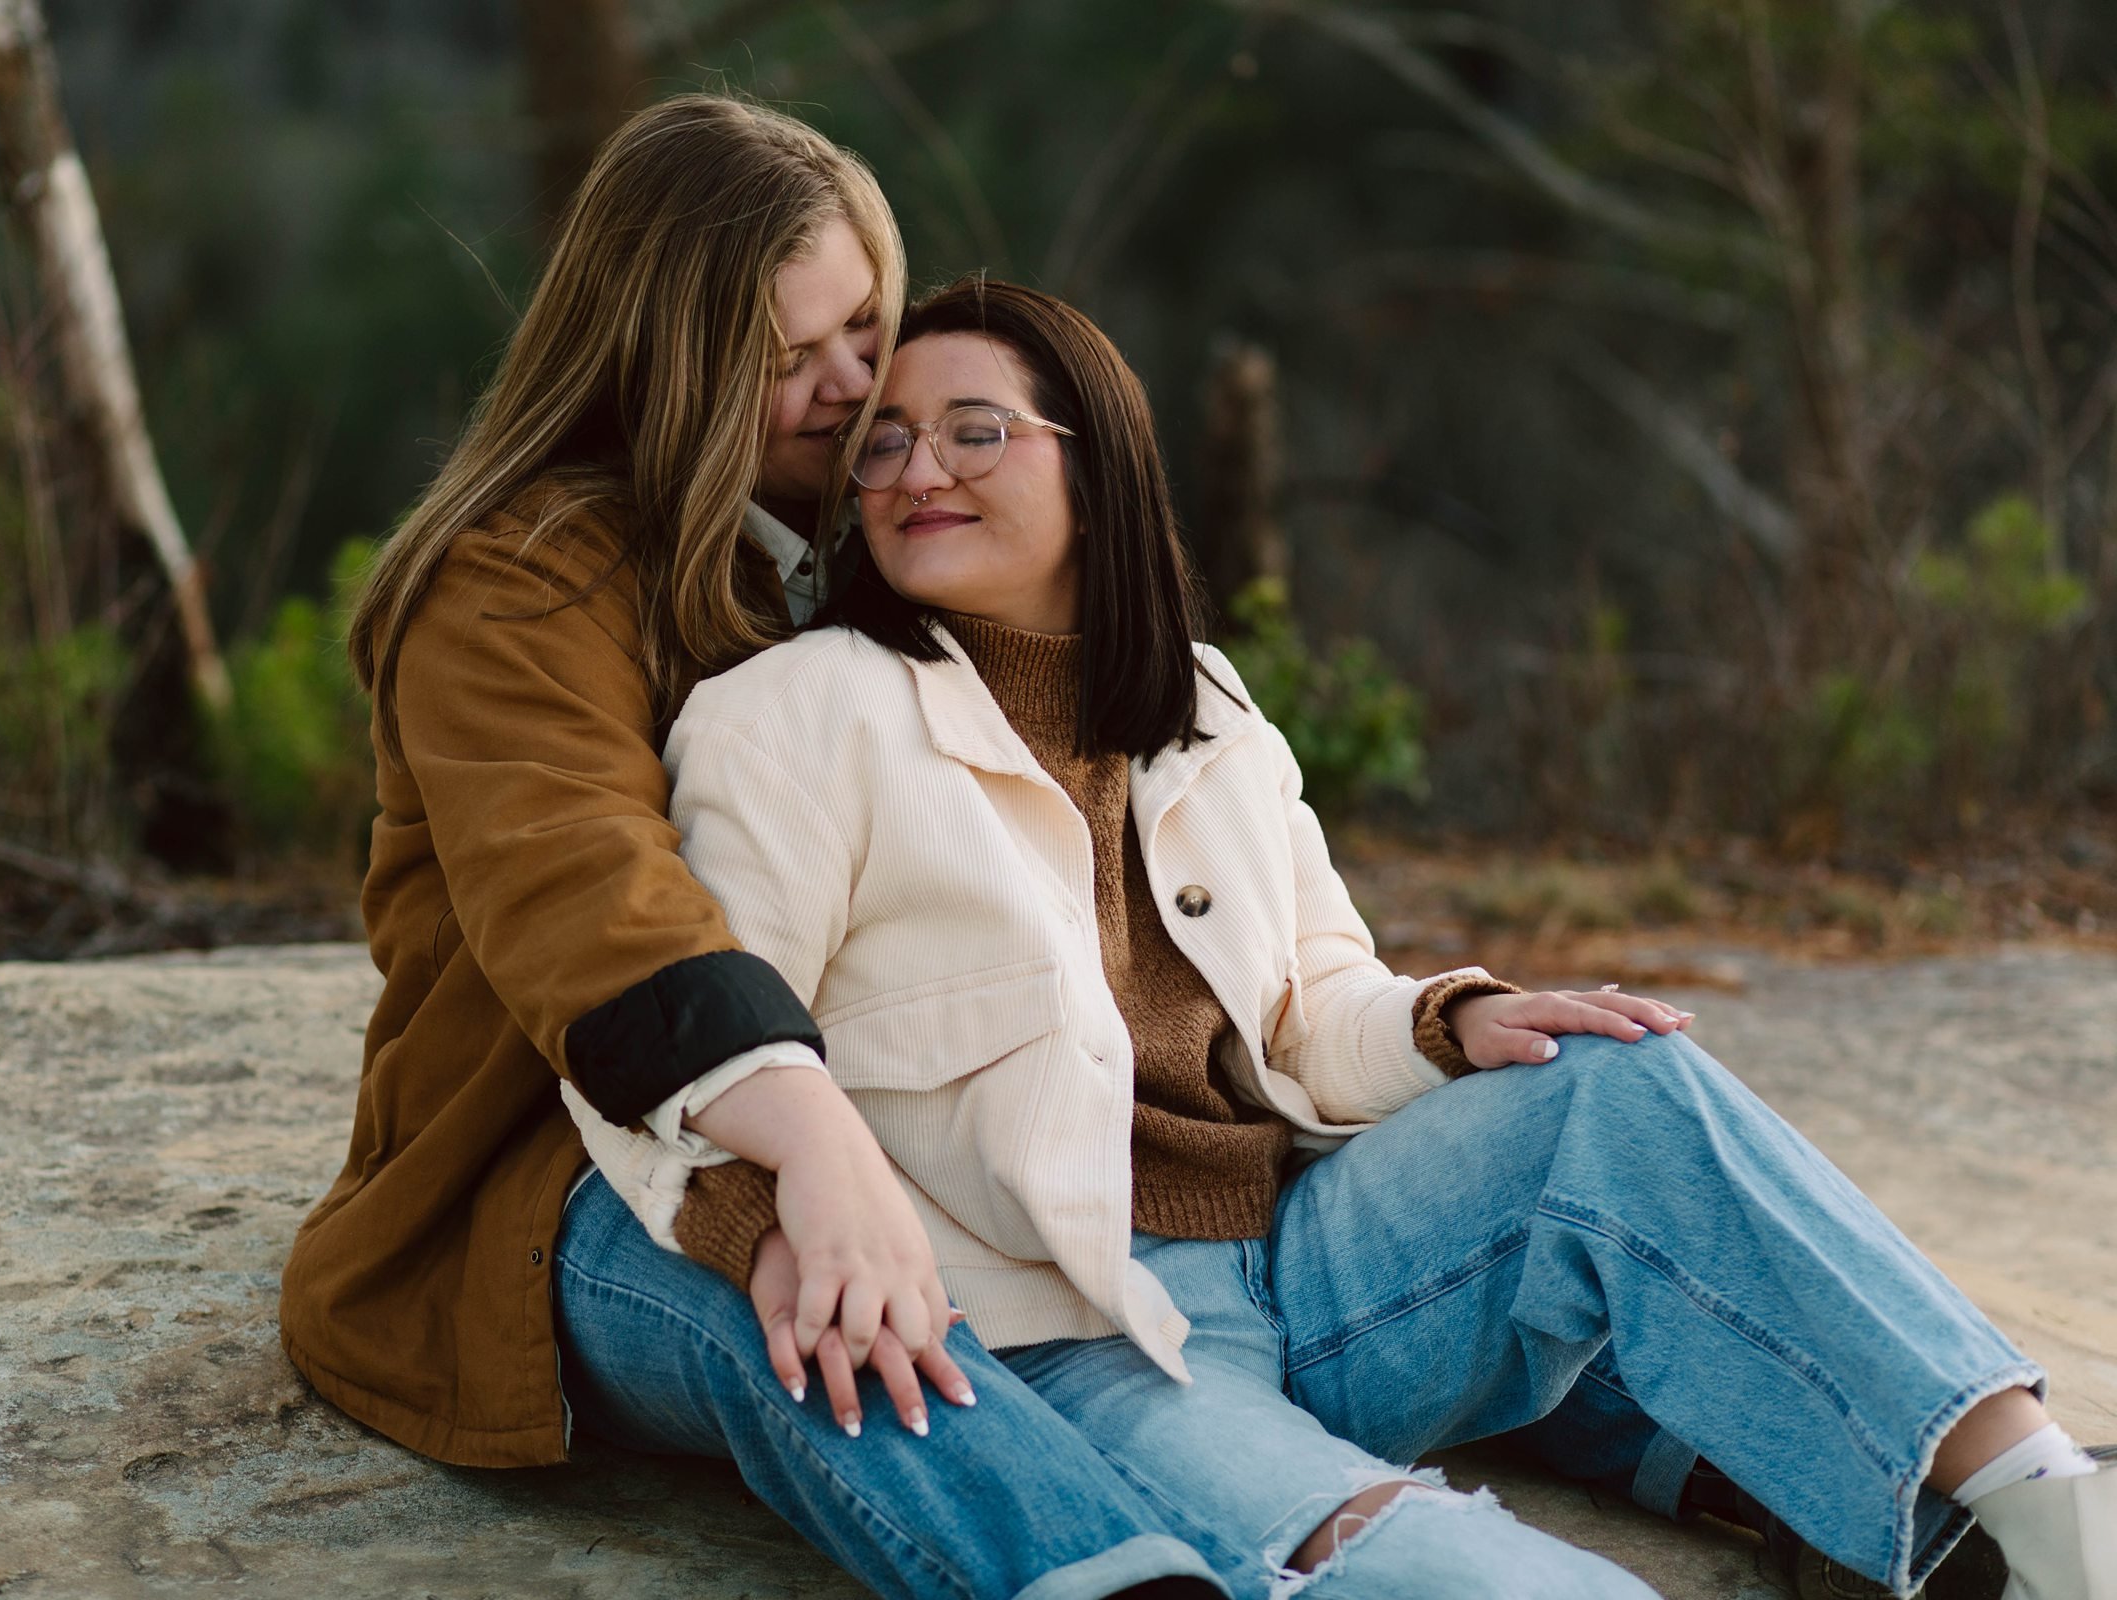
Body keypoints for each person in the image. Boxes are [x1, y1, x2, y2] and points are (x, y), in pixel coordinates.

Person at [569, 275, 2117, 1599]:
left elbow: (1313, 1002)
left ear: (1095, 462)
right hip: (1070, 1335)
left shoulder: (1205, 701)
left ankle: (2049, 1509)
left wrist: (1452, 1024)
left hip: (1306, 1268)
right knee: (1421, 1562)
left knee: (1623, 1086)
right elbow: (700, 1047)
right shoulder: (792, 715)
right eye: (886, 444)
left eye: (975, 429)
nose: (916, 470)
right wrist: (756, 1242)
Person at [283, 93, 1268, 1598]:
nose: (854, 386)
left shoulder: (863, 539)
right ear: (660, 359)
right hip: (552, 1180)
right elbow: (596, 904)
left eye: (865, 325)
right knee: (819, 1297)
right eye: (782, 354)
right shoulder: (513, 587)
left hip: (901, 1136)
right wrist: (817, 1153)